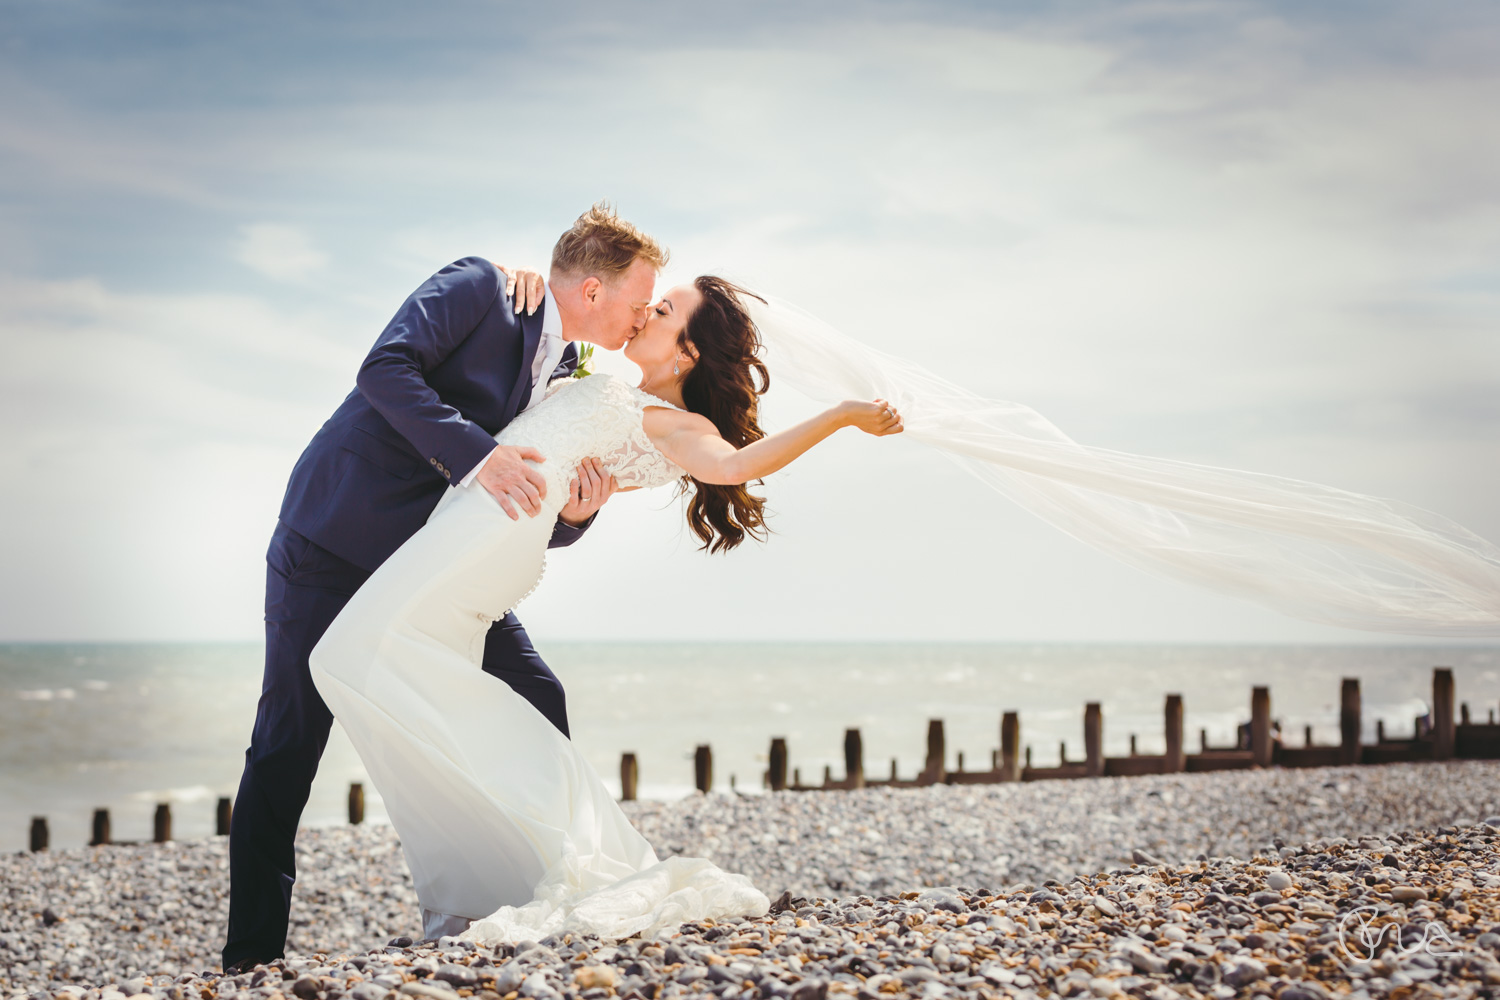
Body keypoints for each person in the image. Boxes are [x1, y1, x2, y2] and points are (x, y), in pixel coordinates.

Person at [308, 276, 904, 942]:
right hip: (477, 512)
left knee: (349, 656)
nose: (649, 309)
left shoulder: (683, 426)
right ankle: (486, 873)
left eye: (667, 309)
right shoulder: (605, 381)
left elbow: (734, 466)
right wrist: (528, 278)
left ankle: (539, 828)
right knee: (381, 670)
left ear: (688, 353)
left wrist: (842, 415)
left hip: (492, 530)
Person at [222, 203, 666, 973]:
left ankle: (532, 895)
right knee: (288, 747)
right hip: (330, 544)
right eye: (637, 301)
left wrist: (574, 517)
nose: (641, 319)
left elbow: (522, 492)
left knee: (539, 698)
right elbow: (383, 370)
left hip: (433, 572)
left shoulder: (574, 372)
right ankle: (249, 958)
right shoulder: (480, 287)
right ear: (593, 291)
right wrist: (475, 456)